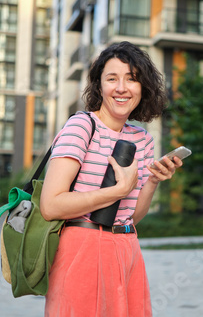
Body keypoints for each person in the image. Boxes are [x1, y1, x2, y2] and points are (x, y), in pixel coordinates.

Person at [40, 41, 183, 316]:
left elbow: (131, 216)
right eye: (112, 78)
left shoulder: (142, 139)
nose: (121, 88)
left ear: (143, 88)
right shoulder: (82, 126)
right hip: (82, 248)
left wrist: (152, 181)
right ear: (99, 86)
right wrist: (119, 190)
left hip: (126, 248)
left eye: (131, 79)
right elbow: (51, 206)